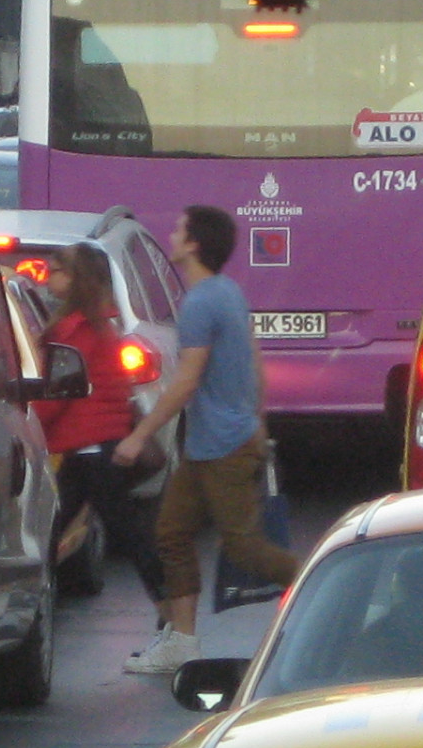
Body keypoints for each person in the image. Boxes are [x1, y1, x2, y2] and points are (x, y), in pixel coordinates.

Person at [114, 206, 300, 673]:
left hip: (224, 446)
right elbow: (255, 362)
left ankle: (329, 595)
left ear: (194, 244)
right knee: (171, 534)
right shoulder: (228, 293)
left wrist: (140, 434)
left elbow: (186, 380)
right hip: (213, 443)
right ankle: (181, 642)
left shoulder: (200, 303)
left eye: (178, 229)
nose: (171, 234)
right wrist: (257, 418)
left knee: (243, 549)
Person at [33, 244, 167, 613]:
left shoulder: (72, 331)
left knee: (125, 531)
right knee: (65, 526)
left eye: (56, 270)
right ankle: (168, 607)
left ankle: (170, 609)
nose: (48, 276)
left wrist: (31, 429)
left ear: (75, 280)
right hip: (96, 445)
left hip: (90, 447)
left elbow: (57, 393)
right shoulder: (99, 326)